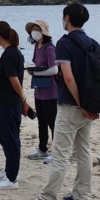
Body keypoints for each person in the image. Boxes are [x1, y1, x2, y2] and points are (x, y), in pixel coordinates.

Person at [23, 4, 100, 200]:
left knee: (59, 151)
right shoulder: (92, 43)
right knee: (83, 150)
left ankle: (48, 197)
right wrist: (89, 104)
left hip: (70, 104)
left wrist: (80, 103)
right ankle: (81, 195)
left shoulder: (65, 43)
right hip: (89, 104)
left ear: (67, 18)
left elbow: (67, 76)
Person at [0, 22, 32, 190]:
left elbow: (14, 80)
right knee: (5, 138)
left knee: (10, 139)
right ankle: (8, 170)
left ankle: (11, 179)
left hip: (9, 102)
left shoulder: (10, 54)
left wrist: (23, 100)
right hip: (5, 101)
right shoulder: (12, 52)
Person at [25, 20, 59, 163]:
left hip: (51, 92)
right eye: (32, 29)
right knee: (41, 121)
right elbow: (36, 63)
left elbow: (54, 69)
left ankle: (57, 153)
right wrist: (31, 69)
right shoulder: (37, 47)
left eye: (37, 29)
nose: (34, 32)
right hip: (39, 91)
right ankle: (42, 149)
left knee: (52, 122)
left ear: (43, 31)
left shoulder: (49, 48)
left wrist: (36, 73)